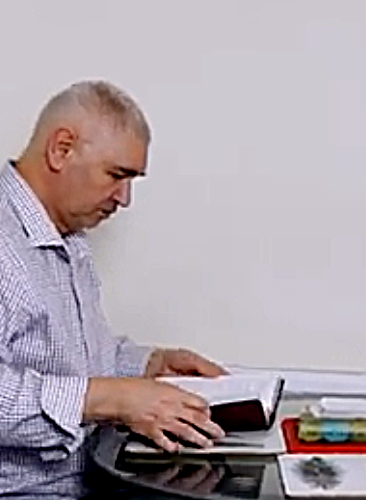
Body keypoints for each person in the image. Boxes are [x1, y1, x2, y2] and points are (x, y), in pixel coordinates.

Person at [0, 81, 227, 495]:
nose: (124, 199)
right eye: (116, 175)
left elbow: (70, 360)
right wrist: (111, 399)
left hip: (91, 479)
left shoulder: (68, 236)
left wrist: (149, 365)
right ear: (61, 149)